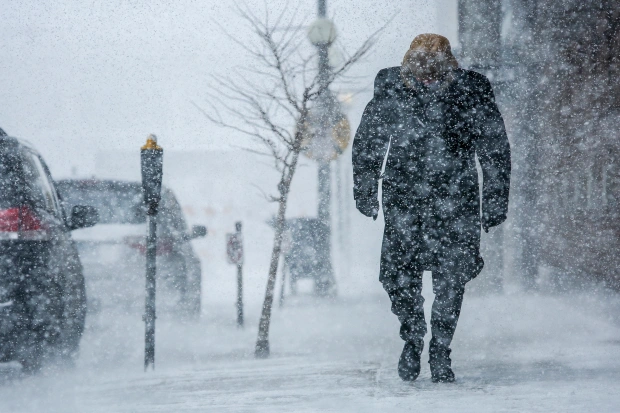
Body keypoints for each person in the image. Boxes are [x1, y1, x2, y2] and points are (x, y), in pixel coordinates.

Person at [352, 34, 511, 383]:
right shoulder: (391, 87)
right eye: (421, 70)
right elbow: (369, 140)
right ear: (409, 65)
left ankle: (440, 349)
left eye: (435, 71)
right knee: (399, 274)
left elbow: (494, 147)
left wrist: (496, 198)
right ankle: (412, 335)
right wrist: (365, 190)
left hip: (457, 199)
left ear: (448, 67)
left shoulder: (471, 90)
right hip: (405, 197)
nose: (427, 78)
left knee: (451, 279)